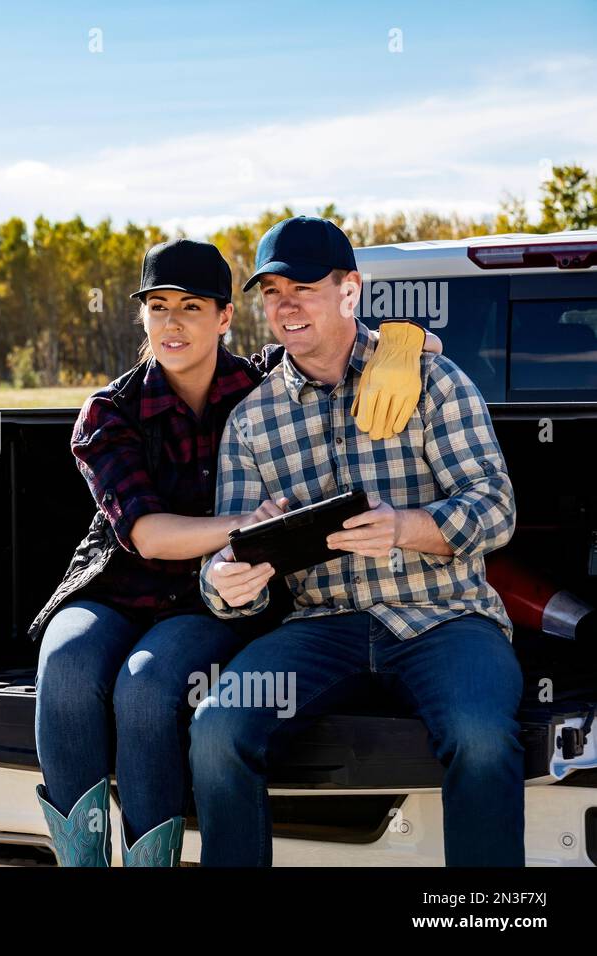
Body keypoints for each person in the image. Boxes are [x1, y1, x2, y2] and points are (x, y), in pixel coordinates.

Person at [27, 236, 441, 866]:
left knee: (145, 686)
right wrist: (245, 522)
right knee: (66, 663)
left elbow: (354, 343)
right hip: (119, 585)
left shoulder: (260, 382)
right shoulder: (110, 412)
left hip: (205, 600)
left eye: (192, 307)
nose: (173, 322)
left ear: (224, 318)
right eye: (158, 306)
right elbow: (147, 536)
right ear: (142, 317)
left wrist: (404, 346)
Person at [192, 216, 522, 867]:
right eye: (273, 291)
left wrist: (404, 527)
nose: (285, 306)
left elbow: (495, 511)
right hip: (322, 627)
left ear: (350, 290)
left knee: (482, 737)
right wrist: (227, 583)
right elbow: (224, 557)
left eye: (305, 288)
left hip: (446, 617)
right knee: (217, 728)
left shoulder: (433, 381)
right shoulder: (254, 420)